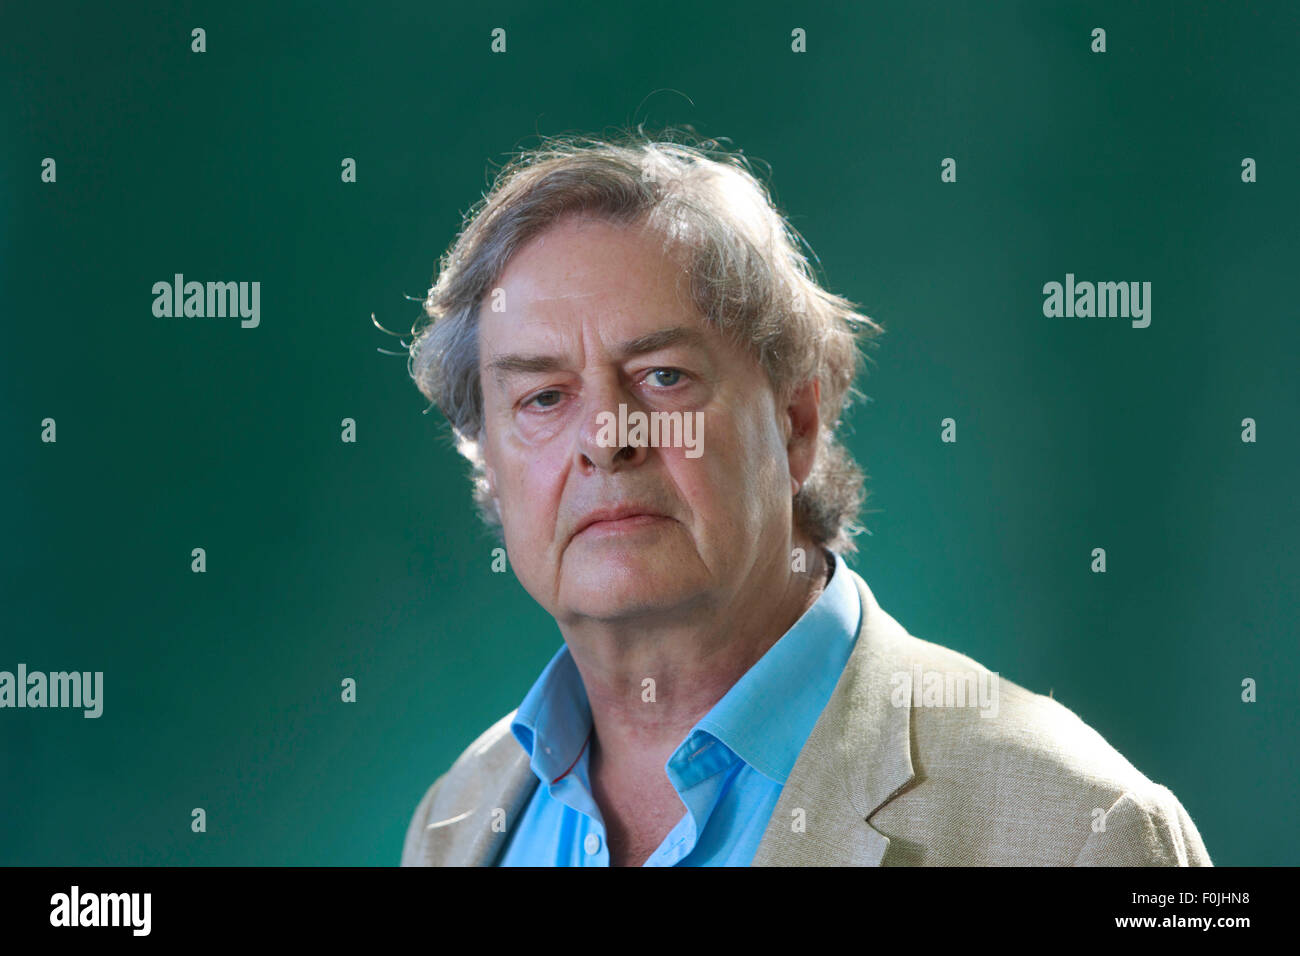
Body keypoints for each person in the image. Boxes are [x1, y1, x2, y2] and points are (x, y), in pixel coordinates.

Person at [398, 132, 1211, 866]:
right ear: (488, 464)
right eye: (543, 397)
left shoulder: (1084, 829)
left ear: (797, 422)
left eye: (664, 377)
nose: (605, 437)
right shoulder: (460, 817)